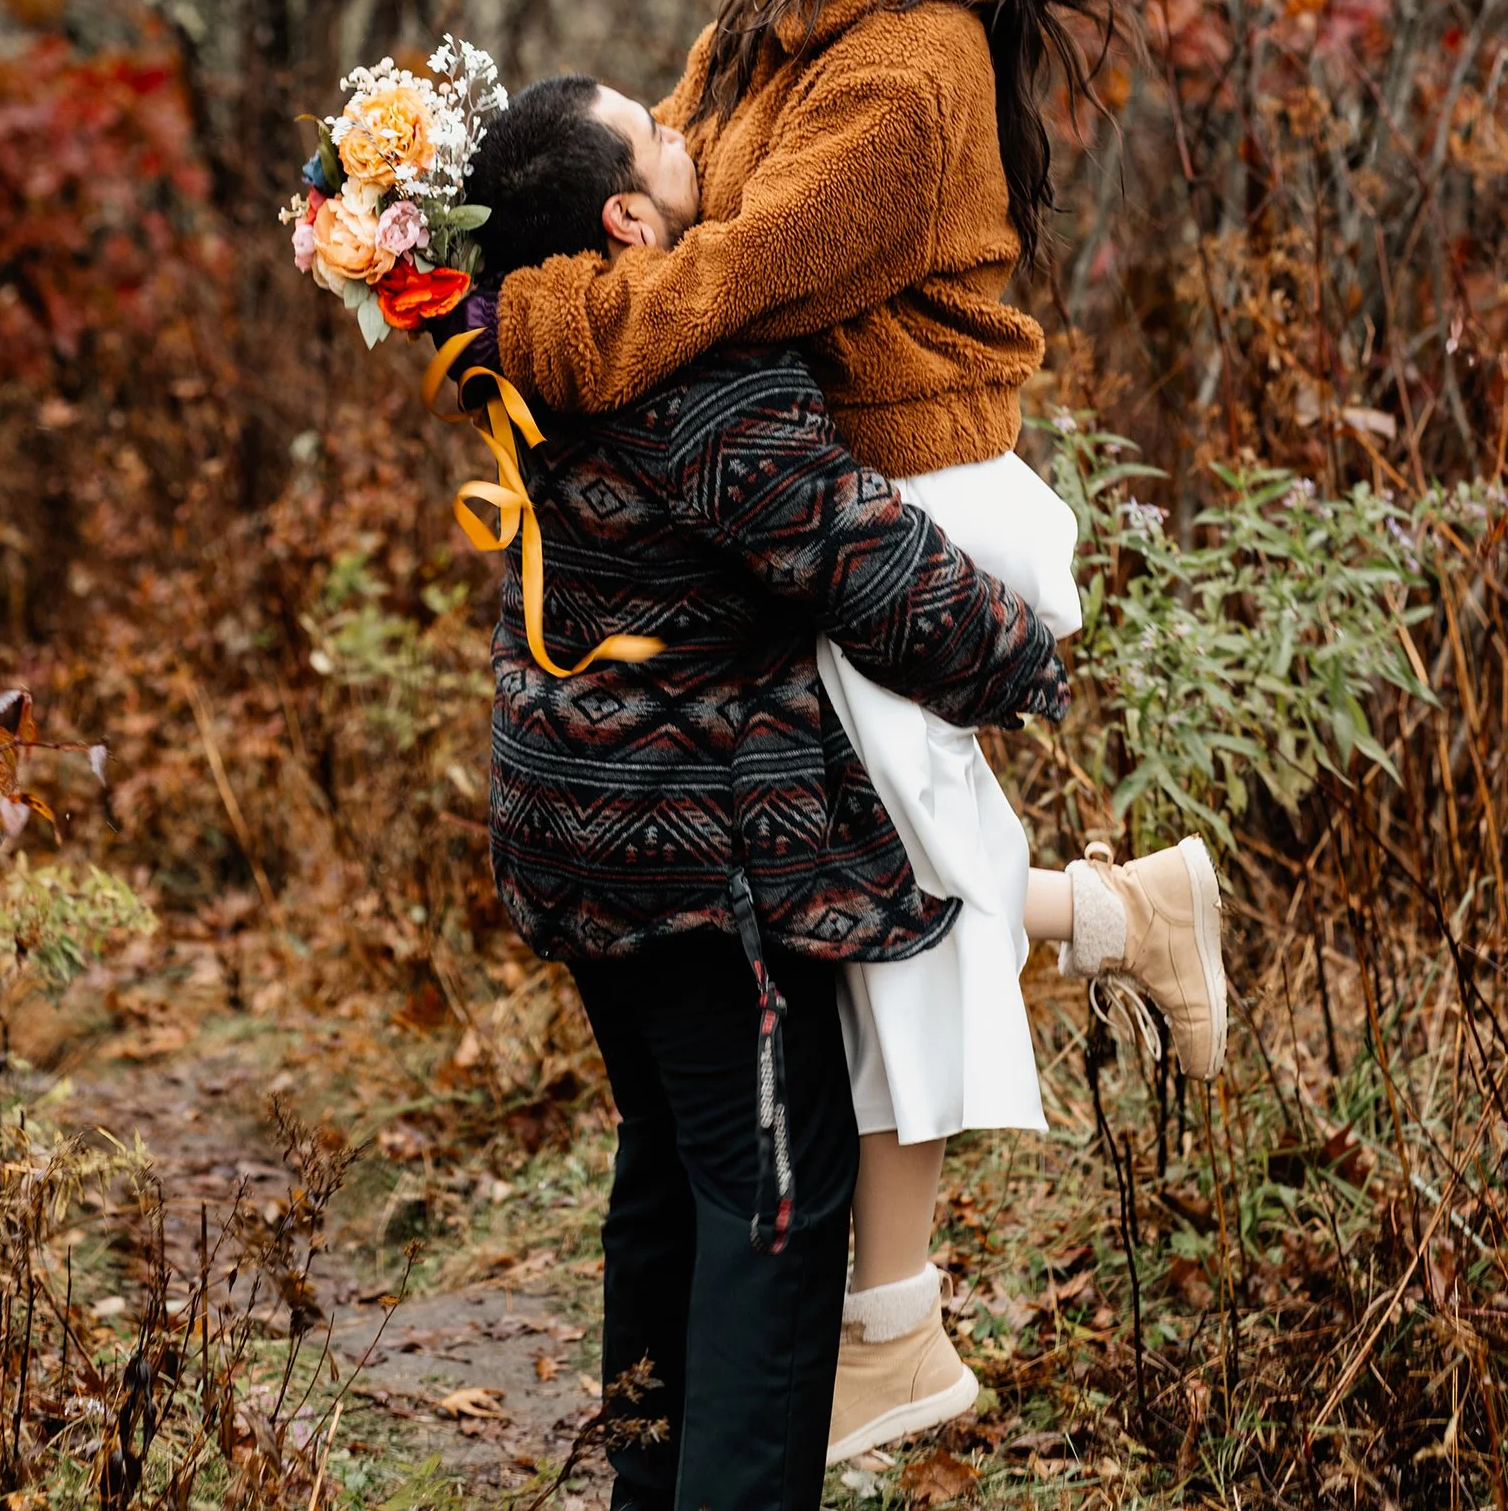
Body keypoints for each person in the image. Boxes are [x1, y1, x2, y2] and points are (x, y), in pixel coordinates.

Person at [478, 0, 1228, 1465]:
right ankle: (1115, 926)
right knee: (858, 881)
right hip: (804, 492)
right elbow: (643, 191)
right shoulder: (772, 25)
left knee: (868, 901)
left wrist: (529, 325)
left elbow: (726, 275)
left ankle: (895, 1331)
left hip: (912, 500)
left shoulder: (910, 69)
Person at [442, 73, 1073, 1511]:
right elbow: (873, 571)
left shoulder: (521, 348)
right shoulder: (703, 386)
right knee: (775, 1205)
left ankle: (651, 1490)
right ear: (624, 216)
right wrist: (1030, 659)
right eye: (659, 137)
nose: (690, 138)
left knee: (673, 1166)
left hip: (573, 832)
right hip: (696, 862)